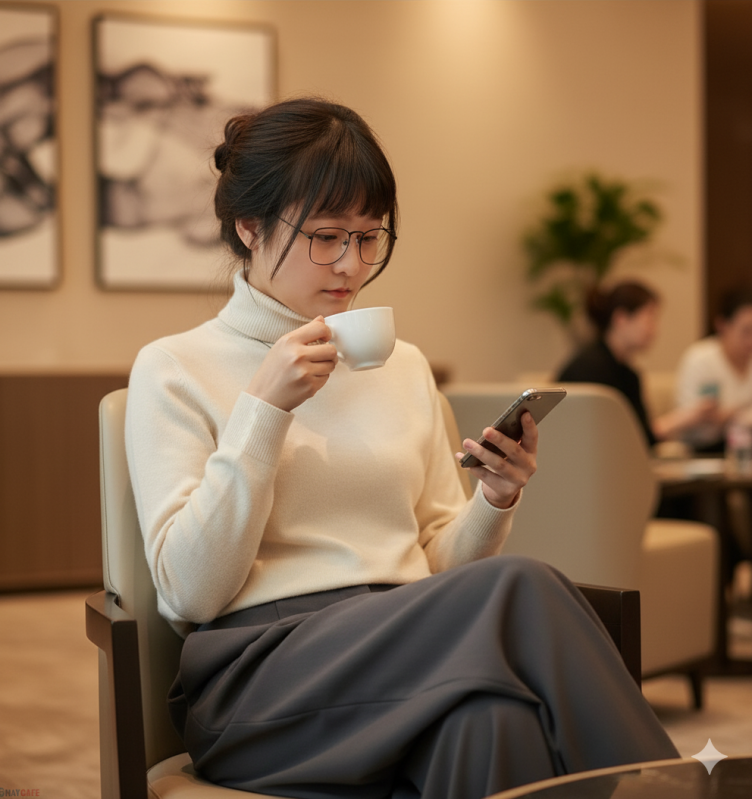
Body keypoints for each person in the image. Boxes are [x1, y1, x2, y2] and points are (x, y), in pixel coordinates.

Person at [125, 98, 678, 799]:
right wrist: (262, 410)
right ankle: (671, 786)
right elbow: (188, 591)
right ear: (249, 227)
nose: (351, 264)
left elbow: (440, 565)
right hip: (261, 679)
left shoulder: (404, 367)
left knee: (493, 723)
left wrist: (494, 499)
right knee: (523, 586)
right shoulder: (174, 368)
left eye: (368, 237)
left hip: (410, 648)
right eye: (327, 236)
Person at [556, 281, 714, 449]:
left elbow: (640, 435)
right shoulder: (589, 368)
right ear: (621, 319)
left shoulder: (628, 375)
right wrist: (685, 418)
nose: (654, 329)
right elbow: (633, 436)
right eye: (649, 318)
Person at [674, 287, 752, 453]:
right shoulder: (700, 360)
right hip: (703, 451)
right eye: (746, 331)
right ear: (722, 325)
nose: (750, 341)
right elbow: (690, 423)